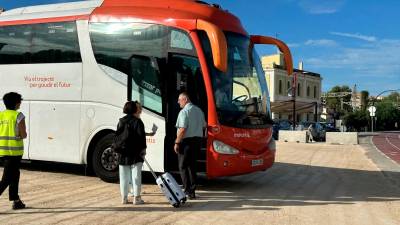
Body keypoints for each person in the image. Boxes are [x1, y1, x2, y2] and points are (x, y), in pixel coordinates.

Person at [174, 92, 206, 200]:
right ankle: (192, 191)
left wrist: (177, 142)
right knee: (192, 166)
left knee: (183, 166)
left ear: (185, 99)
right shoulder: (199, 111)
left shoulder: (184, 112)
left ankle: (187, 190)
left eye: (179, 100)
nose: (178, 102)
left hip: (186, 142)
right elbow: (204, 125)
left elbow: (182, 129)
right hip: (197, 142)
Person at [0, 92, 27, 210]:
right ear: (16, 103)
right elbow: (24, 134)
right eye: (19, 101)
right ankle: (15, 200)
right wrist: (20, 136)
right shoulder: (19, 116)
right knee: (7, 178)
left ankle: (16, 201)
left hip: (2, 150)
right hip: (14, 152)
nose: (20, 103)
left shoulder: (1, 115)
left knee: (15, 174)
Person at [117, 101, 147, 205]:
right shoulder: (138, 122)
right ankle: (136, 198)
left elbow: (118, 137)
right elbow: (141, 138)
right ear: (134, 109)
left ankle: (124, 198)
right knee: (136, 176)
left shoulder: (121, 121)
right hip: (135, 153)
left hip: (123, 153)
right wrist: (143, 151)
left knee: (124, 177)